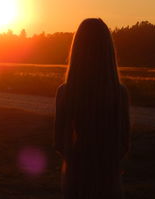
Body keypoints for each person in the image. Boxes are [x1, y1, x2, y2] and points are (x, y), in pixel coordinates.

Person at [54, 18, 130, 198]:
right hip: (109, 178)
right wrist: (105, 163)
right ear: (108, 51)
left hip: (75, 179)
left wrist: (76, 163)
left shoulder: (65, 92)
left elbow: (58, 142)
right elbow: (124, 143)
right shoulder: (120, 93)